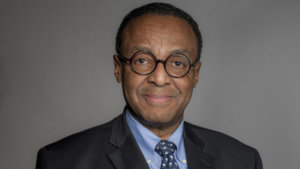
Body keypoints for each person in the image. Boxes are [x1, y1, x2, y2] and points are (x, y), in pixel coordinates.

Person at [35, 2, 263, 169]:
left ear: (195, 74)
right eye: (142, 60)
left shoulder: (242, 160)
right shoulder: (62, 162)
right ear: (118, 68)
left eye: (177, 63)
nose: (160, 78)